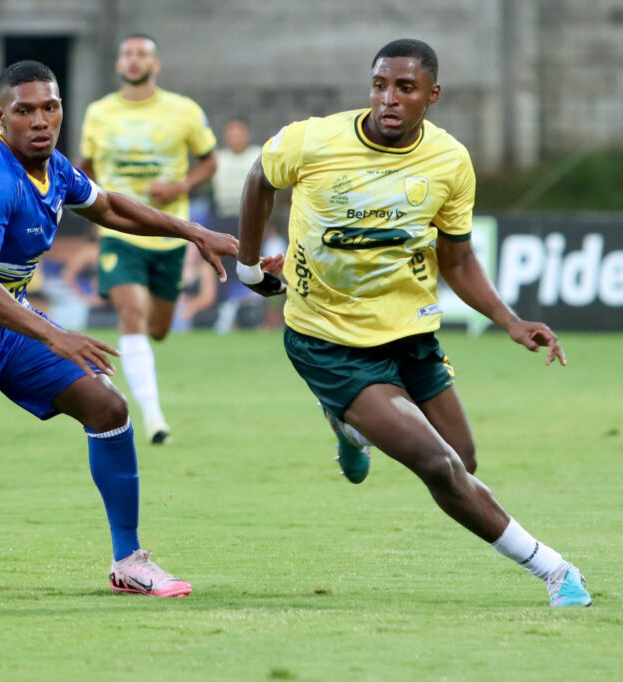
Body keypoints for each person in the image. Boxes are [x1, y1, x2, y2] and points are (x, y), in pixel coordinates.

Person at [236, 39, 591, 608]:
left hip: (410, 335)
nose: (388, 99)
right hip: (329, 343)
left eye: (405, 87)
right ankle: (555, 571)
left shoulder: (450, 161)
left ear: (432, 94)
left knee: (464, 461)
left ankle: (347, 427)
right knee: (439, 465)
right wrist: (249, 266)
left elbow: (457, 260)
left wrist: (509, 320)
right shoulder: (314, 139)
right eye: (380, 85)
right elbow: (259, 179)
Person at [0, 60, 238, 597]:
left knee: (107, 407)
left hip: (9, 331)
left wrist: (192, 230)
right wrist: (53, 334)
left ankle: (128, 559)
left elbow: (107, 206)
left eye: (51, 107)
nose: (41, 120)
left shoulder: (52, 166)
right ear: (1, 117)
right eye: (25, 111)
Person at [79, 34, 217, 444]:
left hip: (168, 234)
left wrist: (180, 186)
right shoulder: (98, 113)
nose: (134, 60)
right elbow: (83, 168)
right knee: (131, 316)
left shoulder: (184, 110)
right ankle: (154, 418)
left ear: (156, 64)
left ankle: (148, 396)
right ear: (119, 63)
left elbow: (209, 161)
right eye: (127, 54)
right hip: (117, 232)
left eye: (142, 54)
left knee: (157, 328)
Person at [211, 118, 262, 234]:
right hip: (223, 217)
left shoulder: (258, 155)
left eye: (238, 135)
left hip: (254, 217)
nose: (235, 140)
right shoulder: (218, 158)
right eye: (231, 136)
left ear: (246, 135)